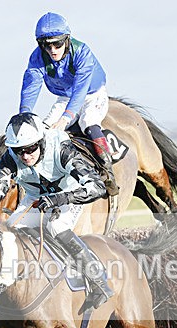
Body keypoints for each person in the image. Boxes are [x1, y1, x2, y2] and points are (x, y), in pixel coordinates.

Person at [0, 112, 114, 311]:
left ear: (41, 141)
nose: (25, 156)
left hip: (69, 195)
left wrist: (59, 199)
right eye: (18, 151)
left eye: (30, 149)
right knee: (7, 232)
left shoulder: (62, 149)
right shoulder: (9, 158)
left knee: (56, 226)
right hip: (35, 198)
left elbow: (97, 187)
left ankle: (99, 281)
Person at [18, 12, 117, 193]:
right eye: (46, 46)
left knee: (88, 122)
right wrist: (24, 115)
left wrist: (66, 118)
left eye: (57, 44)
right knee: (45, 130)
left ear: (67, 40)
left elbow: (80, 92)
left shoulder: (82, 52)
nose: (53, 50)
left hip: (92, 95)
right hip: (65, 97)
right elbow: (31, 87)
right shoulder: (37, 57)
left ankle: (107, 171)